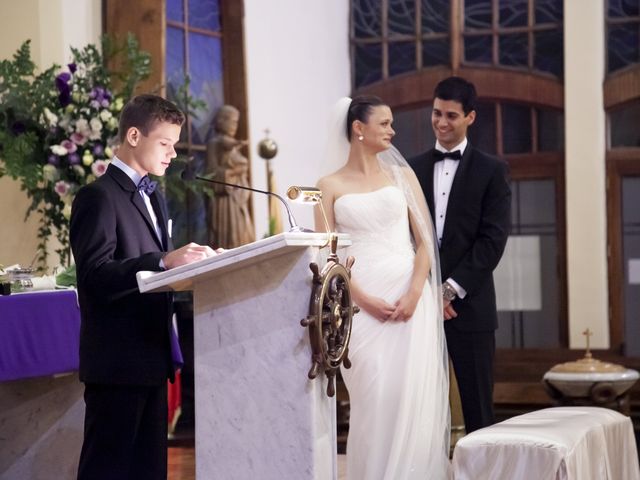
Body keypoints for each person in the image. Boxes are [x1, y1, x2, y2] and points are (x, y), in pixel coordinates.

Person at [70, 94, 217, 480]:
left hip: (150, 358)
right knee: (107, 469)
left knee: (149, 471)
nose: (172, 154)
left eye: (175, 145)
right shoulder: (98, 196)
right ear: (134, 135)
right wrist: (163, 261)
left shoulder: (155, 195)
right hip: (117, 361)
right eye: (165, 143)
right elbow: (94, 275)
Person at [316, 96, 451, 479]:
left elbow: (425, 240)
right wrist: (361, 298)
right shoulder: (328, 185)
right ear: (359, 129)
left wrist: (413, 293)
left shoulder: (401, 178)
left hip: (410, 294)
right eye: (385, 123)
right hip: (360, 304)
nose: (392, 131)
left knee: (411, 396)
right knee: (373, 396)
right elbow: (328, 253)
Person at [408, 76, 511, 433]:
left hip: (471, 306)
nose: (441, 122)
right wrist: (427, 292)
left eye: (451, 115)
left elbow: (492, 240)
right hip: (419, 307)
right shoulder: (411, 169)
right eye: (436, 113)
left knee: (479, 410)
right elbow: (406, 237)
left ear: (470, 117)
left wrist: (449, 290)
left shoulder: (492, 170)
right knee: (423, 410)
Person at [205, 104, 255, 248]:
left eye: (236, 122)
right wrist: (234, 172)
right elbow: (211, 174)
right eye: (231, 121)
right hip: (224, 203)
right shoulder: (214, 144)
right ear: (221, 121)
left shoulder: (233, 146)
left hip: (238, 199)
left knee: (244, 239)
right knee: (229, 242)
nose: (235, 125)